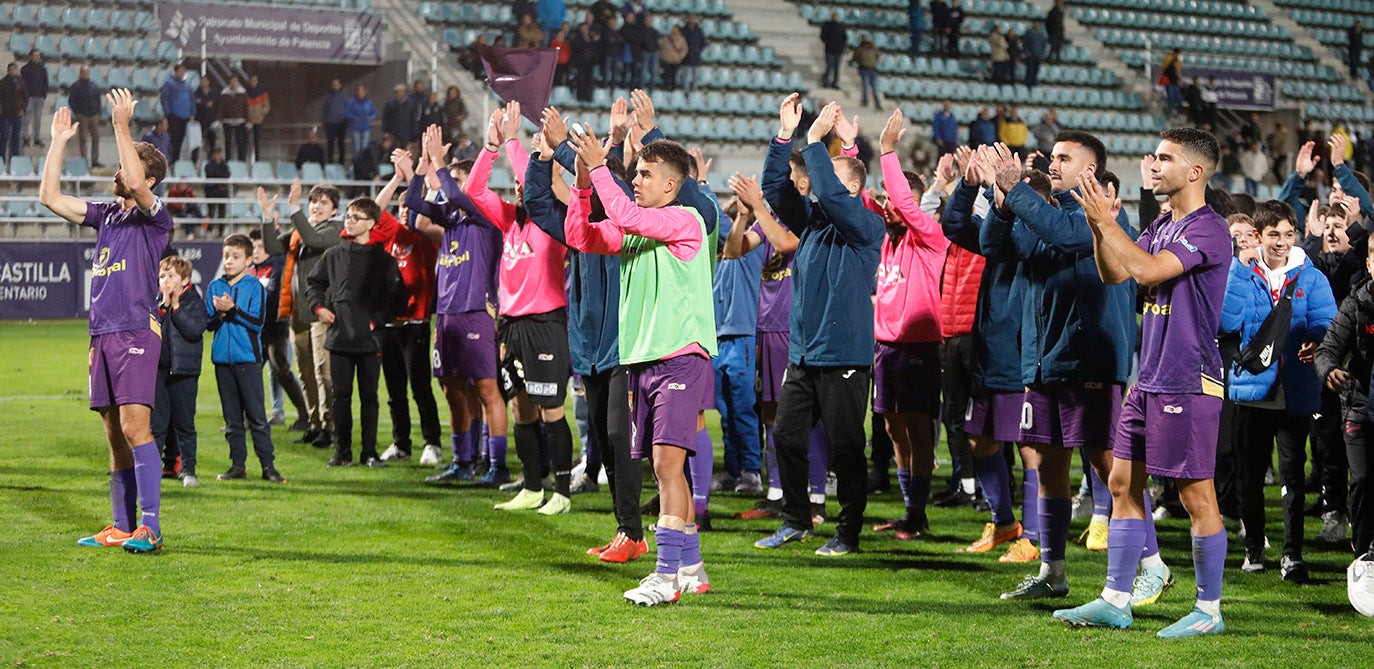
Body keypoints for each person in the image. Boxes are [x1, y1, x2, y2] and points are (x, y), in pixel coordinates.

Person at [1055, 127, 1230, 638]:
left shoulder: (1209, 229)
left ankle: (1209, 610)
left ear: (1194, 171)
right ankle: (1115, 598)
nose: (1152, 165)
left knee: (1196, 495)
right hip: (1148, 377)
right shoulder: (1162, 223)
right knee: (1121, 483)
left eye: (1164, 158)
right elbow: (1115, 273)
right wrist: (1097, 225)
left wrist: (1109, 222)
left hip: (1187, 381)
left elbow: (1149, 272)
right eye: (1153, 156)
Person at [565, 120, 716, 606]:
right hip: (644, 363)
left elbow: (629, 217)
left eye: (646, 174)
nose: (637, 179)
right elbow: (580, 236)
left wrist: (599, 169)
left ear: (671, 184)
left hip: (679, 359)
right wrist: (583, 184)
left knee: (666, 466)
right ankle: (692, 567)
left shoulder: (685, 219)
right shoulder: (635, 226)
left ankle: (665, 575)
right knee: (668, 469)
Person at [42, 90, 172, 553]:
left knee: (137, 428)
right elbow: (50, 197)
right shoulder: (107, 218)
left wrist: (121, 126)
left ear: (149, 177)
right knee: (114, 432)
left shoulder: (156, 220)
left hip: (137, 327)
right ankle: (121, 525)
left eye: (125, 164)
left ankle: (150, 528)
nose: (116, 172)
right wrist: (59, 141)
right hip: (102, 334)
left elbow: (136, 186)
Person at [755, 97, 884, 556]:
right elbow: (776, 188)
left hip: (844, 354)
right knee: (786, 436)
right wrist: (785, 136)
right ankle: (796, 520)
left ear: (852, 189)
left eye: (831, 179)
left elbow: (829, 191)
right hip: (805, 353)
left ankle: (848, 532)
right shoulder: (813, 225)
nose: (813, 188)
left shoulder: (867, 225)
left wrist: (819, 143)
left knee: (845, 448)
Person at [528, 104, 645, 560]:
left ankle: (637, 529)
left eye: (594, 177)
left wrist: (567, 148)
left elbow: (612, 185)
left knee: (620, 436)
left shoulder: (628, 223)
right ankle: (627, 533)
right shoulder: (580, 229)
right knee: (605, 438)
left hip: (626, 348)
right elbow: (538, 203)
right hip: (590, 351)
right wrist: (543, 157)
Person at [461, 109, 578, 513]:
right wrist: (491, 147)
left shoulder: (556, 223)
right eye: (515, 183)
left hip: (546, 323)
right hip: (509, 325)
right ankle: (531, 486)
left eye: (524, 183)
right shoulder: (510, 218)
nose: (519, 188)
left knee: (551, 409)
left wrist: (515, 141)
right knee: (520, 407)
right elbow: (475, 191)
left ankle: (562, 492)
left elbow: (535, 180)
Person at [1220, 201, 1335, 582]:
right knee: (1249, 476)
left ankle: (1293, 555)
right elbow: (1225, 322)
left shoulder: (1311, 277)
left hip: (1294, 391)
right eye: (1274, 235)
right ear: (1258, 236)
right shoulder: (1242, 273)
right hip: (1251, 391)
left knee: (1292, 476)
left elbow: (1326, 322)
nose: (1282, 242)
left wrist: (1316, 341)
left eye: (1288, 234)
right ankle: (1254, 548)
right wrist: (1239, 266)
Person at [403, 136, 508, 486]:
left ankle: (497, 465)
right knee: (451, 388)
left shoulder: (484, 215)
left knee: (487, 389)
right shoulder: (451, 219)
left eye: (458, 181)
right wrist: (422, 166)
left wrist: (441, 166)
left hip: (477, 309)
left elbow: (461, 195)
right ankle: (463, 460)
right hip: (446, 312)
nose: (452, 188)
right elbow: (414, 203)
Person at [869, 109, 951, 539]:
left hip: (918, 345)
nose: (888, 205)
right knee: (892, 427)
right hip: (886, 347)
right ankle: (908, 509)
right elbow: (856, 197)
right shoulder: (888, 237)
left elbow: (901, 200)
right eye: (884, 199)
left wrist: (886, 151)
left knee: (918, 431)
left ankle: (918, 514)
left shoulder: (929, 235)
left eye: (895, 199)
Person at [307, 198, 406, 468]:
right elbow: (314, 283)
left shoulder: (384, 260)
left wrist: (376, 321)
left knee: (369, 397)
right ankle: (342, 452)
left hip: (369, 339)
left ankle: (369, 453)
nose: (349, 221)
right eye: (348, 216)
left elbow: (397, 299)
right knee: (341, 396)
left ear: (371, 224)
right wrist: (318, 309)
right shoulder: (333, 254)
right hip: (339, 338)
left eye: (356, 217)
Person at [368, 163, 442, 465]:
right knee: (394, 387)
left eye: (409, 207)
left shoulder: (426, 236)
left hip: (416, 321)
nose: (403, 212)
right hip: (388, 321)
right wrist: (398, 177)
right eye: (401, 207)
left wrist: (417, 177)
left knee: (420, 385)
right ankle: (401, 443)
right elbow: (372, 210)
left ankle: (432, 442)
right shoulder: (391, 233)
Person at [261, 181, 344, 449]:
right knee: (306, 371)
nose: (317, 207)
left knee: (324, 372)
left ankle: (331, 427)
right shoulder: (302, 230)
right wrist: (266, 217)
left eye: (323, 203)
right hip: (298, 311)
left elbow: (314, 239)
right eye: (314, 202)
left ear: (334, 210)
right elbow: (274, 248)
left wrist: (294, 208)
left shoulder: (334, 230)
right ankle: (314, 423)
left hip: (323, 311)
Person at [206, 234, 286, 483]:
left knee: (257, 417)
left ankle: (268, 466)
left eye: (235, 257)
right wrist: (219, 315)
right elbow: (208, 324)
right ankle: (237, 465)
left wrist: (233, 310)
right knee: (232, 420)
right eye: (226, 256)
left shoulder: (255, 288)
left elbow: (257, 322)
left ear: (249, 260)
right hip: (222, 361)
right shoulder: (214, 286)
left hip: (248, 360)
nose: (228, 261)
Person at [1315, 240, 1374, 560]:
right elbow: (1327, 350)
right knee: (1363, 479)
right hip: (1360, 409)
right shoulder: (1356, 304)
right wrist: (1329, 372)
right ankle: (1363, 556)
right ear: (1369, 264)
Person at [712, 183, 766, 498]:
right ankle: (733, 469)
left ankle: (751, 470)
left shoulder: (749, 249)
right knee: (725, 409)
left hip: (742, 338)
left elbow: (726, 223)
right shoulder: (719, 254)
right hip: (717, 339)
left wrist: (747, 209)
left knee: (744, 409)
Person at [152, 256, 206, 489]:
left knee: (184, 424)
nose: (165, 281)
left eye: (171, 276)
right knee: (156, 425)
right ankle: (152, 471)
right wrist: (164, 307)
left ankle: (188, 470)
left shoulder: (193, 301)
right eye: (162, 276)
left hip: (184, 372)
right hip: (158, 372)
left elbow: (194, 330)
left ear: (185, 280)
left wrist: (175, 307)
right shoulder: (156, 303)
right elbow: (151, 332)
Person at [68, 66, 103, 167]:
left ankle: (95, 160)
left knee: (96, 138)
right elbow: (72, 101)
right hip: (82, 115)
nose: (85, 74)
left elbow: (98, 99)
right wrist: (77, 112)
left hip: (94, 115)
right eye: (83, 72)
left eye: (87, 72)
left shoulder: (94, 85)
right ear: (80, 73)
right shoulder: (76, 86)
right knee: (83, 139)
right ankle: (84, 161)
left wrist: (98, 112)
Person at [159, 64, 194, 162]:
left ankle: (177, 159)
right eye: (180, 71)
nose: (182, 73)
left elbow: (191, 99)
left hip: (185, 116)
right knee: (174, 139)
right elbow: (164, 98)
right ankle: (171, 160)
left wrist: (192, 112)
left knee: (180, 140)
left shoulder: (187, 85)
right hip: (174, 116)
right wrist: (168, 113)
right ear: (176, 71)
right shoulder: (169, 84)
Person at [0, 63, 27, 164]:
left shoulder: (21, 83)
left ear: (17, 70)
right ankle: (1, 160)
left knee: (16, 138)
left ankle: (15, 161)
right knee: (4, 136)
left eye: (14, 69)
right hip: (5, 114)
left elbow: (26, 98)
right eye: (11, 69)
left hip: (17, 114)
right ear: (8, 70)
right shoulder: (2, 83)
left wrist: (22, 109)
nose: (12, 71)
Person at [19, 50, 47, 148]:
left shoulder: (43, 69)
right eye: (34, 56)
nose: (36, 58)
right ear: (30, 57)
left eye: (38, 56)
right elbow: (22, 84)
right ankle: (25, 137)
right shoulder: (25, 69)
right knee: (26, 118)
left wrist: (44, 95)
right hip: (29, 97)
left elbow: (45, 82)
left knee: (38, 120)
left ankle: (36, 138)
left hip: (39, 97)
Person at [218, 75, 248, 162]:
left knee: (240, 143)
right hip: (227, 121)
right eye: (232, 81)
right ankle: (228, 161)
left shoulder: (243, 93)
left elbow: (246, 107)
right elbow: (221, 108)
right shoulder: (224, 93)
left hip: (240, 121)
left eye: (235, 81)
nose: (233, 83)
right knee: (228, 143)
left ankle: (241, 162)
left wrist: (248, 121)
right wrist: (219, 120)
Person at [322, 79, 349, 165]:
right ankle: (330, 162)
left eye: (337, 85)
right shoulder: (328, 98)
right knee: (330, 145)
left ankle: (341, 163)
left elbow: (347, 110)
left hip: (341, 124)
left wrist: (345, 121)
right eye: (334, 84)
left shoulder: (344, 98)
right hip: (330, 124)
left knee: (341, 145)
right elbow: (324, 111)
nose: (335, 86)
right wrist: (326, 122)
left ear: (340, 86)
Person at [346, 85, 376, 159]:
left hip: (366, 127)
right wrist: (353, 118)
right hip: (355, 127)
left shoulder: (369, 102)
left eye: (362, 91)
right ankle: (356, 163)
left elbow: (373, 113)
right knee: (356, 147)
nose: (360, 93)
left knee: (364, 147)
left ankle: (363, 164)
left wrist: (371, 118)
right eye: (359, 92)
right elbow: (347, 113)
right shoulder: (352, 102)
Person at [193, 77, 217, 162]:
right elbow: (197, 104)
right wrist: (205, 104)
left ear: (208, 82)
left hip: (210, 120)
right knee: (196, 142)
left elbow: (216, 105)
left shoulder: (213, 92)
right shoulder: (197, 93)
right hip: (199, 120)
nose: (203, 83)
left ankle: (211, 159)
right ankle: (194, 161)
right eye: (202, 81)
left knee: (212, 142)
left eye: (205, 81)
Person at [853, 36, 882, 110]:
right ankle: (865, 101)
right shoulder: (860, 49)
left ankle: (877, 103)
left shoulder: (873, 48)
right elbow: (855, 58)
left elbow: (878, 56)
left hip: (873, 69)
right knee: (865, 87)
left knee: (875, 88)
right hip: (864, 69)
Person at [245, 75, 269, 160]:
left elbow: (267, 106)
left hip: (258, 120)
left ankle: (257, 159)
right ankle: (245, 160)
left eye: (254, 81)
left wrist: (262, 112)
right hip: (248, 120)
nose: (253, 83)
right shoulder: (245, 92)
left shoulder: (262, 92)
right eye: (251, 81)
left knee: (257, 141)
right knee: (246, 141)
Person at [820, 13, 847, 89]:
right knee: (829, 67)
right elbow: (823, 36)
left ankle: (835, 82)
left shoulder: (841, 27)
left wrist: (842, 47)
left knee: (836, 68)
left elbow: (844, 38)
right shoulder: (827, 26)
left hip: (838, 51)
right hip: (829, 50)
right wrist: (829, 43)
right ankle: (825, 81)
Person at [659, 25, 689, 91]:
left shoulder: (681, 39)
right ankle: (666, 88)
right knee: (667, 75)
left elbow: (685, 50)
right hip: (667, 60)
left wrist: (679, 57)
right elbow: (661, 48)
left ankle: (673, 89)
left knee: (674, 76)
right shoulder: (666, 38)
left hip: (675, 61)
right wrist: (663, 56)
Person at [682, 16, 706, 93]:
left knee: (695, 75)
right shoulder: (684, 30)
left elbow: (703, 42)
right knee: (687, 75)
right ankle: (686, 91)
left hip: (696, 56)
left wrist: (698, 50)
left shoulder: (699, 31)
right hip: (687, 57)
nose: (691, 20)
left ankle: (694, 91)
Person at [1022, 21, 1046, 89]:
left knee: (1036, 70)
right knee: (1030, 70)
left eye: (1038, 25)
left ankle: (1034, 83)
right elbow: (1025, 44)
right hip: (1031, 55)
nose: (1037, 26)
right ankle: (1028, 83)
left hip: (1038, 55)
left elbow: (1043, 45)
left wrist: (1041, 52)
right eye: (1036, 25)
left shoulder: (1041, 35)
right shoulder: (1029, 34)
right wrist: (1028, 53)